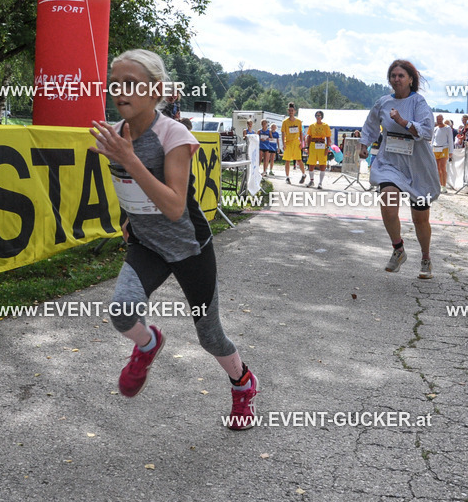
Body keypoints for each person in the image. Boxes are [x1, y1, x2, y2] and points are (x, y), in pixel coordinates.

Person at [89, 49, 257, 429]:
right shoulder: (115, 135)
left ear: (156, 90)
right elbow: (125, 184)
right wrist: (127, 217)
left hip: (188, 248)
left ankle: (243, 383)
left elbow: (174, 206)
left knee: (210, 337)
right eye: (115, 84)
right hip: (147, 245)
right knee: (122, 312)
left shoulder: (173, 134)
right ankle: (148, 343)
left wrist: (130, 159)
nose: (120, 91)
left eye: (131, 83)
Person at [359, 60, 440, 279]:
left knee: (420, 219)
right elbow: (370, 125)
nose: (396, 79)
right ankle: (398, 249)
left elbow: (427, 131)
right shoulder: (383, 102)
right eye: (393, 76)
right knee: (387, 201)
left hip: (417, 165)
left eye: (401, 75)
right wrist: (364, 144)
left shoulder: (418, 102)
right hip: (390, 161)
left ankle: (426, 258)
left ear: (411, 79)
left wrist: (403, 121)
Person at [280, 103, 306, 184]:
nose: (291, 112)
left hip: (296, 143)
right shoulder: (285, 122)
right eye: (289, 111)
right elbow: (283, 133)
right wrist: (283, 143)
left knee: (299, 160)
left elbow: (301, 133)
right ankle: (287, 177)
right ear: (288, 111)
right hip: (288, 143)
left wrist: (301, 142)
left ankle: (304, 174)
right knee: (287, 160)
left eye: (292, 111)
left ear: (295, 111)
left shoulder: (298, 121)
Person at [304, 111, 331, 189]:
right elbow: (309, 137)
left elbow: (328, 137)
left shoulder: (325, 126)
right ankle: (311, 181)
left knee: (322, 164)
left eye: (319, 115)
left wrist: (327, 148)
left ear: (322, 117)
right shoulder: (312, 126)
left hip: (322, 145)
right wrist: (307, 147)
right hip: (313, 145)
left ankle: (320, 183)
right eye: (316, 115)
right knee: (311, 164)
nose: (318, 117)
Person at [432, 113, 454, 194]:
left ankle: (444, 186)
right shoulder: (435, 128)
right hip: (435, 148)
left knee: (443, 167)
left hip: (444, 148)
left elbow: (450, 139)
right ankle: (439, 184)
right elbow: (433, 139)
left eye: (440, 119)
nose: (439, 120)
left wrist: (451, 151)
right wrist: (431, 149)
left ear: (442, 119)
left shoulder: (447, 128)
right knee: (437, 168)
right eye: (438, 119)